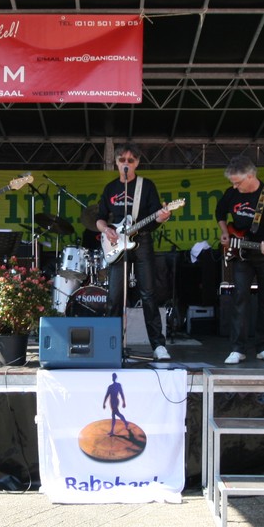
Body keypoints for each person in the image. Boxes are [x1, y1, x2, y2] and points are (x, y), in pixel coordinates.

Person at [95, 144, 171, 361]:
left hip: (142, 242)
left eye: (130, 160)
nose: (126, 164)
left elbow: (155, 218)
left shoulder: (146, 186)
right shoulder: (110, 188)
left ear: (137, 163)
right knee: (114, 296)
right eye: (122, 160)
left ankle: (158, 345)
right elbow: (100, 218)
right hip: (118, 244)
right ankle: (112, 344)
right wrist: (107, 230)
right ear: (116, 163)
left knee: (148, 294)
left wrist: (162, 217)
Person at [216, 155, 264, 364]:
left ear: (250, 176)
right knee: (240, 298)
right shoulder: (232, 193)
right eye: (233, 183)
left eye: (237, 182)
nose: (235, 187)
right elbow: (220, 212)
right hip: (241, 255)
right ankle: (238, 348)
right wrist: (225, 233)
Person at [102, 372, 130, 437]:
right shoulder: (110, 386)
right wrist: (104, 403)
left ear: (115, 378)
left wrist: (124, 402)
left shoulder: (118, 385)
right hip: (111, 401)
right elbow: (107, 395)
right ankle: (125, 422)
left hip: (115, 401)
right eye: (113, 377)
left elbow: (121, 393)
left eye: (114, 377)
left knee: (114, 414)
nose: (113, 378)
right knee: (117, 413)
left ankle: (112, 431)